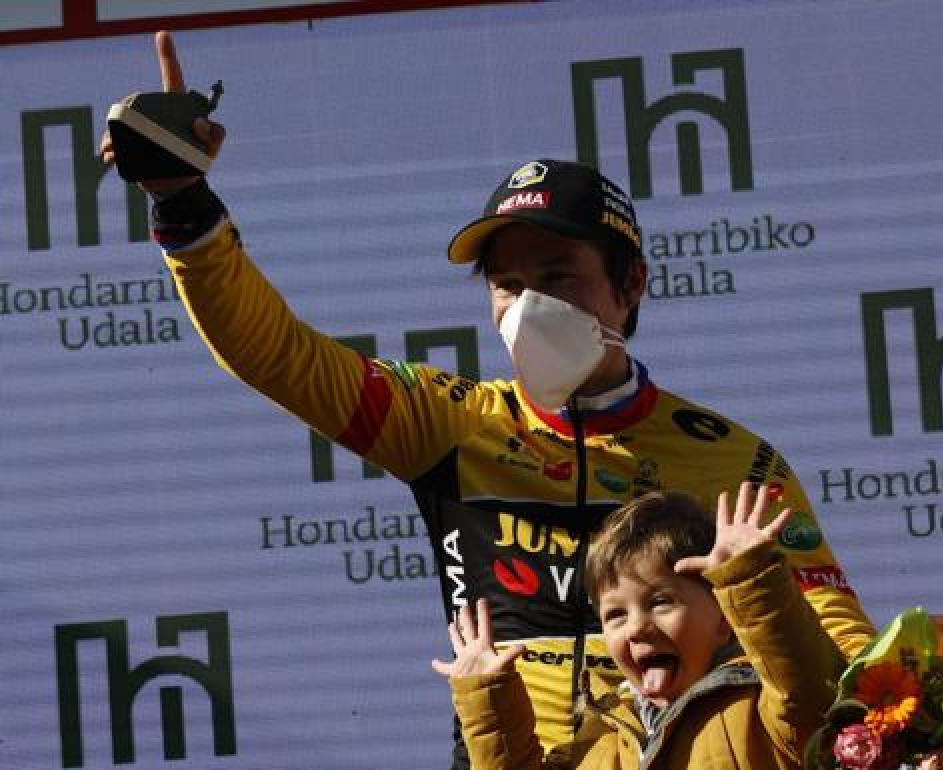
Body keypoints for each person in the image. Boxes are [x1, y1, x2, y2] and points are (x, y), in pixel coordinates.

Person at [101, 31, 875, 767]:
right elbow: (275, 353)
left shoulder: (733, 457)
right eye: (508, 284)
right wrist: (183, 204)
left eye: (559, 277)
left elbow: (845, 657)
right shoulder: (450, 421)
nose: (529, 306)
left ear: (632, 283)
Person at [435, 482, 846, 769]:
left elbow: (809, 685)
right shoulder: (599, 741)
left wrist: (747, 577)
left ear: (724, 617)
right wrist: (489, 704)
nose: (636, 628)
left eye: (661, 602)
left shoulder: (766, 708)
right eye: (615, 615)